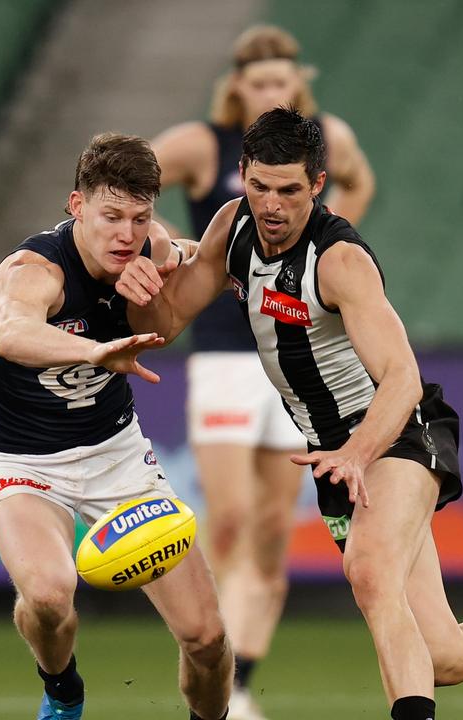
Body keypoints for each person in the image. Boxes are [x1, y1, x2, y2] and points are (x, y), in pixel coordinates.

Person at [117, 108, 463, 720]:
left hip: (397, 432)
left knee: (370, 570)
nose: (272, 206)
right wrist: (141, 289)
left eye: (290, 191)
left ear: (319, 184)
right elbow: (165, 325)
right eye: (260, 187)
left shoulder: (339, 261)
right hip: (337, 455)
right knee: (445, 655)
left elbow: (402, 379)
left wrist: (357, 454)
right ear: (242, 176)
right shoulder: (234, 230)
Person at [150, 26, 374, 719]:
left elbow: (360, 180)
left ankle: (240, 681)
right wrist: (163, 241)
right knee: (230, 520)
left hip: (291, 354)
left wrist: (328, 238)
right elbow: (129, 179)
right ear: (236, 86)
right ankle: (210, 659)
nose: (270, 91)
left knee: (276, 527)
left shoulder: (321, 141)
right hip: (222, 353)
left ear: (295, 83)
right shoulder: (203, 145)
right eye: (258, 81)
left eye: (282, 81)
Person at [0, 132, 233, 720]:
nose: (125, 233)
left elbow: (189, 255)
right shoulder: (33, 270)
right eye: (110, 215)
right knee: (45, 594)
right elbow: (12, 333)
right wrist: (94, 352)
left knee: (207, 640)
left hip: (116, 458)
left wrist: (204, 269)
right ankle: (63, 689)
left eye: (139, 217)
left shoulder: (149, 247)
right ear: (76, 207)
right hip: (24, 463)